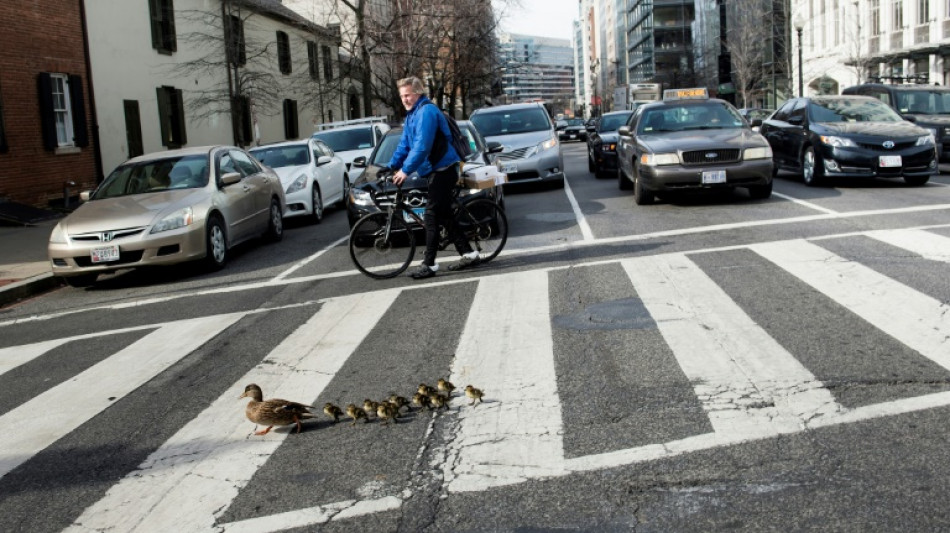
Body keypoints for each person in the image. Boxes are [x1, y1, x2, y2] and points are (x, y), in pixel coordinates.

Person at [387, 76, 480, 279]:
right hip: (433, 170)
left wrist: (405, 171)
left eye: (408, 95)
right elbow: (405, 145)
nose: (405, 99)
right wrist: (392, 165)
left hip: (444, 169)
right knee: (444, 215)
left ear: (418, 93)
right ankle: (469, 253)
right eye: (402, 96)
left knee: (431, 216)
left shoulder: (427, 112)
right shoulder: (412, 115)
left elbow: (422, 146)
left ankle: (429, 264)